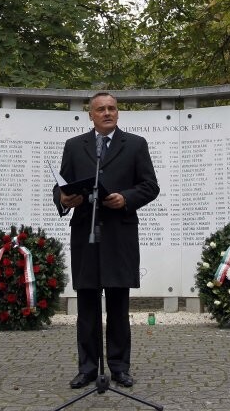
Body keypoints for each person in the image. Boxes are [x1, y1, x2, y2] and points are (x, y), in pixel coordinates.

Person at [53, 92, 159, 389]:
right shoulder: (75, 146)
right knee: (86, 305)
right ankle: (87, 368)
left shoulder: (135, 145)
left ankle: (120, 367)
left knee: (117, 304)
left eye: (112, 108)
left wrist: (125, 198)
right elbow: (59, 185)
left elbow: (150, 186)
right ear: (91, 115)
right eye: (100, 109)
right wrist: (64, 198)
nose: (107, 113)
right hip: (85, 233)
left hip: (119, 234)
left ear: (118, 112)